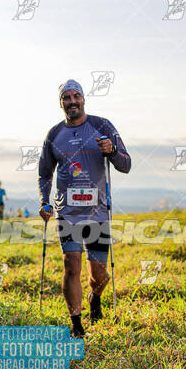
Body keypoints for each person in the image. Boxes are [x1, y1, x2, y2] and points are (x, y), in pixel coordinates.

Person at [38, 79, 131, 337]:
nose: (72, 101)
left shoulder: (102, 126)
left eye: (76, 96)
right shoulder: (54, 135)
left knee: (99, 275)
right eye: (66, 97)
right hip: (67, 213)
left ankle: (95, 297)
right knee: (71, 265)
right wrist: (44, 201)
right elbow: (44, 174)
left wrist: (111, 151)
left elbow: (126, 164)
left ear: (83, 99)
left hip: (97, 212)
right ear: (61, 103)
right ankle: (76, 324)